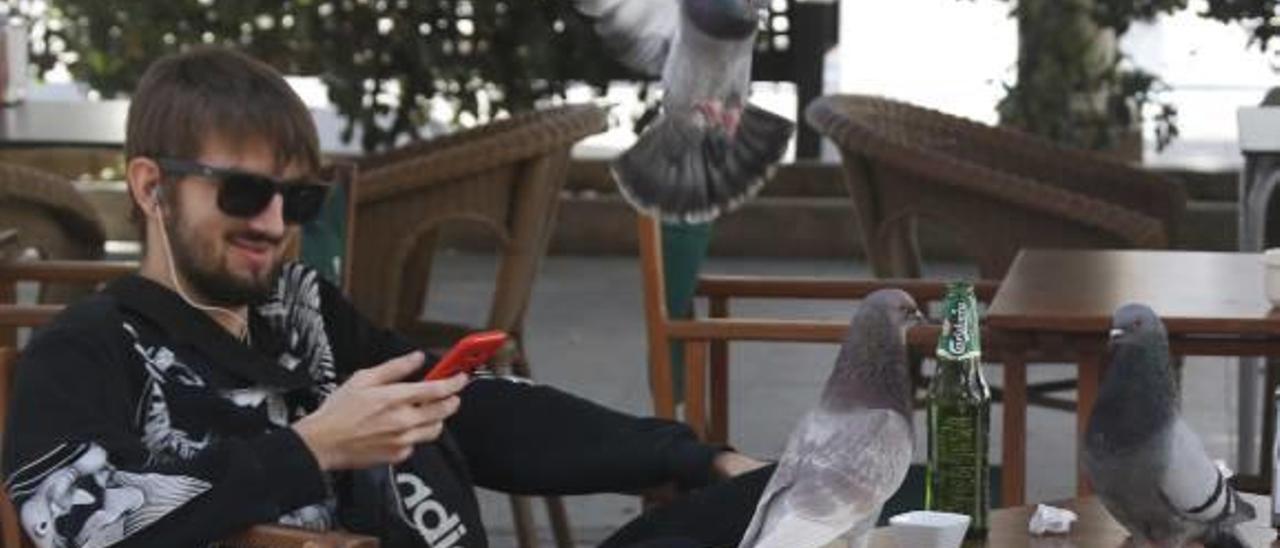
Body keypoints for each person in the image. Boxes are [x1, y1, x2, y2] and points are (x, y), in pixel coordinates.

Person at [1, 46, 776, 547]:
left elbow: (469, 407)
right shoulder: (90, 347)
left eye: (298, 200)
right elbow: (76, 524)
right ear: (150, 187)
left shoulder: (300, 311)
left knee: (786, 502)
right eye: (243, 191)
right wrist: (312, 449)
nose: (273, 224)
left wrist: (696, 457)